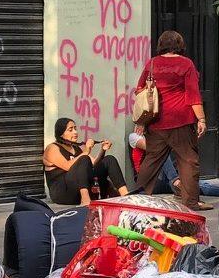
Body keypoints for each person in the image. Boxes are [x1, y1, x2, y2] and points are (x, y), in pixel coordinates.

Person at [131, 30, 209, 210]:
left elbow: (140, 91)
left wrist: (142, 121)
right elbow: (193, 95)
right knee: (188, 161)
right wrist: (201, 119)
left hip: (156, 121)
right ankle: (190, 203)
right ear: (180, 45)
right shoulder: (186, 64)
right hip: (181, 121)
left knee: (151, 160)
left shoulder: (152, 64)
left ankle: (137, 199)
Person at [42, 118, 128, 205]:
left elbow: (93, 165)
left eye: (75, 128)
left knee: (109, 159)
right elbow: (67, 166)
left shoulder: (77, 148)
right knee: (84, 159)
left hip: (79, 189)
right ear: (61, 134)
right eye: (70, 130)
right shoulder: (52, 148)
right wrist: (86, 152)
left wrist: (103, 150)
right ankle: (85, 200)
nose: (75, 132)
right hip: (63, 193)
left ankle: (125, 195)